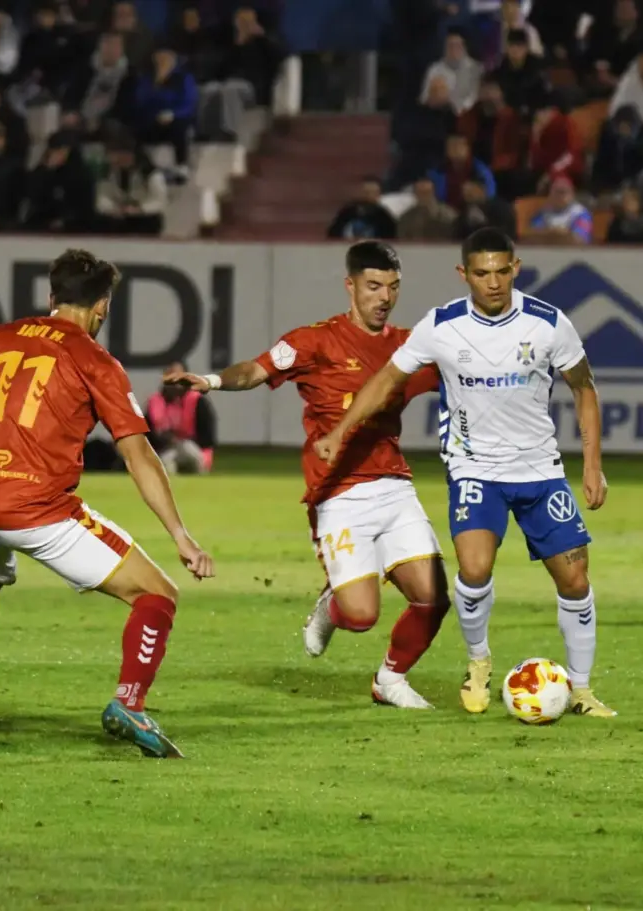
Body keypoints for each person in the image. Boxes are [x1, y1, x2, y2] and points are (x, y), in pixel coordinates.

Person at [0, 249, 214, 759]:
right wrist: (180, 534)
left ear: (51, 297)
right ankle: (129, 703)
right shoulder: (95, 360)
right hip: (38, 515)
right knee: (158, 595)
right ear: (103, 307)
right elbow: (138, 456)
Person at [314, 228, 616, 719]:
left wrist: (594, 465)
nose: (493, 282)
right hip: (474, 470)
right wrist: (342, 430)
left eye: (502, 271)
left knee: (576, 579)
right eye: (482, 273)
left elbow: (584, 388)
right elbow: (387, 378)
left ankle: (580, 690)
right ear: (464, 275)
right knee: (474, 569)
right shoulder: (442, 326)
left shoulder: (548, 323)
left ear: (515, 268)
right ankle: (478, 662)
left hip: (539, 470)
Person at [165, 242, 448, 709]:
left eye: (393, 288)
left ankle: (390, 680)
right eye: (374, 286)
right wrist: (213, 381)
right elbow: (256, 370)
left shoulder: (406, 348)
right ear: (350, 286)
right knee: (360, 616)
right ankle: (331, 603)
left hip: (395, 487)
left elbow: (464, 372)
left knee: (433, 598)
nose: (384, 297)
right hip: (339, 494)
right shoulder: (314, 341)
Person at [146, 363, 216, 474]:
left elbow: (207, 438)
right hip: (165, 449)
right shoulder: (155, 402)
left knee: (189, 451)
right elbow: (148, 435)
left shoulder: (197, 401)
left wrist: (182, 440)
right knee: (166, 464)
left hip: (193, 448)